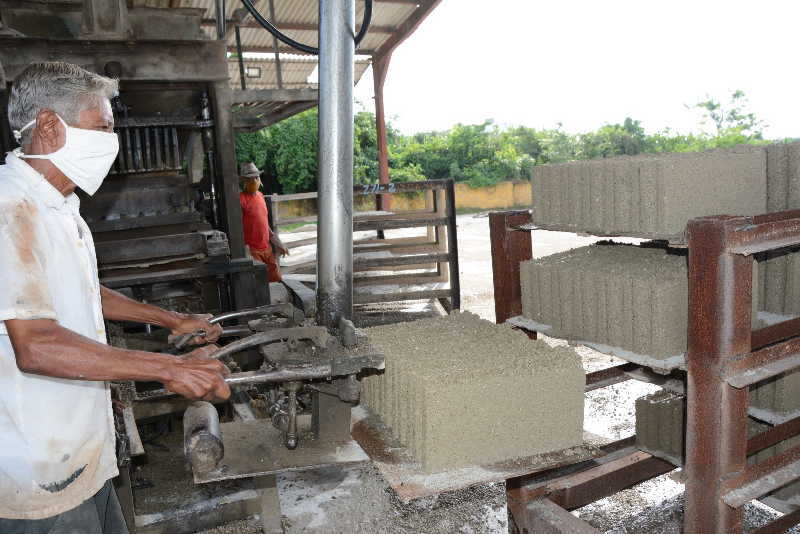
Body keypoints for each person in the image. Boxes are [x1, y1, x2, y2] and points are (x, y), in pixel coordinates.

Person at [0, 62, 231, 533]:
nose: (112, 141)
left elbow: (85, 290)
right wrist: (169, 368)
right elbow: (35, 344)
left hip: (81, 449)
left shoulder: (59, 206)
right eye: (103, 127)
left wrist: (170, 319)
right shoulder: (11, 209)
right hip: (37, 465)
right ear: (49, 126)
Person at [239, 162, 288, 282]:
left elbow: (264, 224)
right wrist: (245, 251)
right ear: (244, 181)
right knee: (259, 284)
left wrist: (278, 242)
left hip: (267, 249)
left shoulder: (260, 196)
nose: (255, 180)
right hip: (252, 251)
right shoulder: (240, 199)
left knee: (276, 280)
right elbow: (237, 228)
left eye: (257, 177)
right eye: (250, 178)